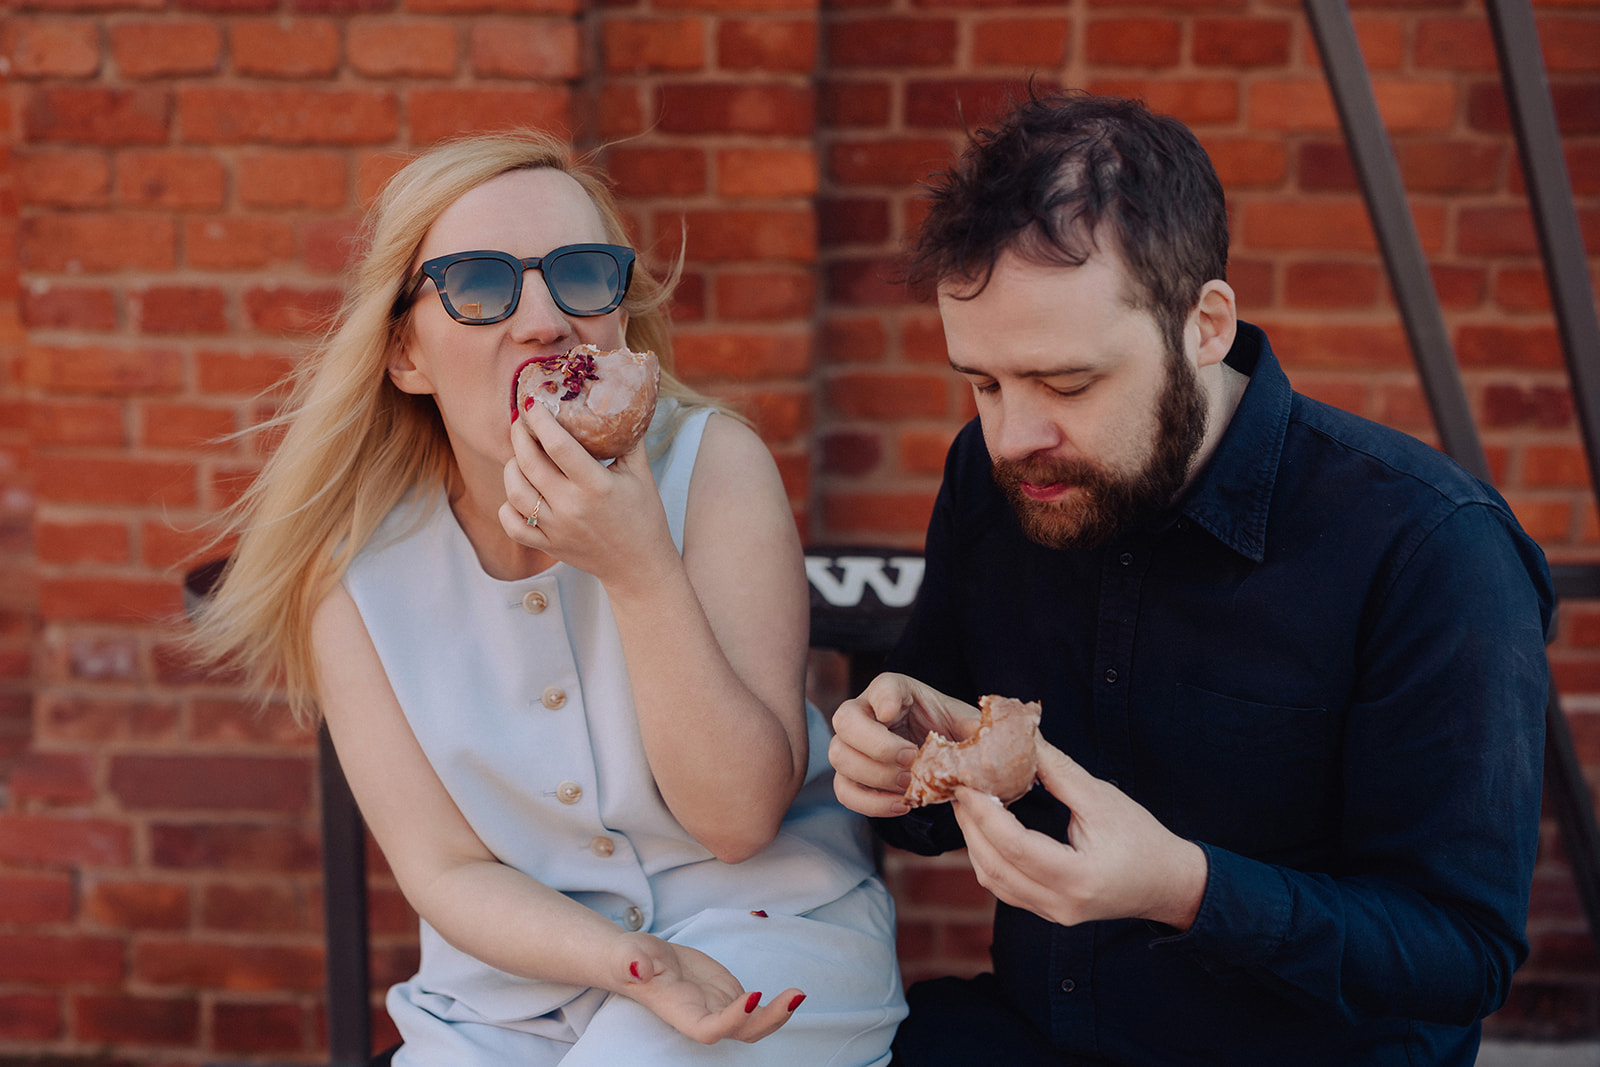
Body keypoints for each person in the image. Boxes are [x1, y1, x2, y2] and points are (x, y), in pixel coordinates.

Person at [829, 91, 1553, 1065]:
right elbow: (936, 800)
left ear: (1204, 323)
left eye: (1067, 382)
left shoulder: (1429, 547)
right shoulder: (990, 471)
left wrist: (1185, 886)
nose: (1011, 436)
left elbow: (1459, 953)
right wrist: (902, 758)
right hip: (1030, 1031)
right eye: (984, 382)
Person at [189, 129, 906, 1066]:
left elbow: (737, 818)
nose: (544, 322)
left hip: (765, 936)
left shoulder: (712, 467)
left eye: (579, 274)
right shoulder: (350, 566)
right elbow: (446, 869)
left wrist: (639, 567)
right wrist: (626, 960)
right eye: (481, 284)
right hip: (504, 992)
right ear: (405, 350)